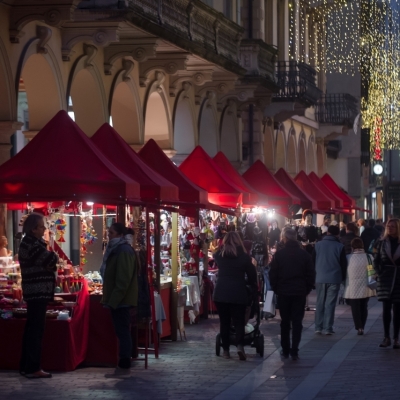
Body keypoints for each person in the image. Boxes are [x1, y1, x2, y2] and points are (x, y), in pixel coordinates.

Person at [19, 213, 58, 379]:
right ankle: (32, 367)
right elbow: (50, 259)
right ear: (34, 229)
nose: (44, 229)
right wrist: (52, 260)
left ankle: (26, 366)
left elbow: (49, 262)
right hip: (36, 292)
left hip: (36, 292)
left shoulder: (32, 243)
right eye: (42, 226)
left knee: (32, 329)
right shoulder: (32, 244)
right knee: (36, 330)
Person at [269, 229, 315, 360]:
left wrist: (276, 288)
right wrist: (306, 289)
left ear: (285, 238)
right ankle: (294, 348)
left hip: (284, 292)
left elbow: (273, 274)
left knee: (285, 322)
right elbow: (311, 274)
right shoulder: (304, 255)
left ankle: (285, 348)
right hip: (299, 292)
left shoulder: (279, 255)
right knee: (297, 321)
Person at [213, 231, 257, 361]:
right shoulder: (243, 257)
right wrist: (251, 287)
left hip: (221, 293)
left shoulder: (219, 255)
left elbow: (216, 258)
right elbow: (252, 276)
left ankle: (226, 350)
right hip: (238, 292)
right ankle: (239, 346)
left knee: (224, 322)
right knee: (239, 321)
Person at [101, 222, 138, 369]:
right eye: (108, 233)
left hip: (122, 299)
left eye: (111, 233)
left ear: (120, 235)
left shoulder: (123, 250)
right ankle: (124, 358)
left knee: (122, 330)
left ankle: (125, 359)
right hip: (118, 298)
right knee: (120, 329)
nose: (109, 236)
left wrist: (113, 300)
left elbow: (123, 278)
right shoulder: (116, 250)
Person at [313, 225, 347, 335]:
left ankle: (318, 327)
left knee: (320, 302)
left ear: (327, 233)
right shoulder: (340, 246)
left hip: (320, 277)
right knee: (330, 303)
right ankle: (328, 327)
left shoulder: (318, 245)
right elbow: (343, 264)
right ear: (337, 234)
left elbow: (312, 261)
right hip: (334, 277)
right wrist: (343, 278)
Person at [373, 218, 400, 349]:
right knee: (386, 309)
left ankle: (396, 338)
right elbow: (375, 260)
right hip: (385, 278)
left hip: (399, 278)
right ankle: (386, 337)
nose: (390, 228)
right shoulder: (381, 242)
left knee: (398, 310)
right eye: (388, 226)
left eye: (393, 226)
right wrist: (378, 272)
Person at [343, 238, 376, 335]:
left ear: (352, 247)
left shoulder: (348, 257)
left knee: (355, 308)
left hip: (352, 287)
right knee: (364, 306)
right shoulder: (369, 257)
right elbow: (373, 270)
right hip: (366, 285)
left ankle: (358, 326)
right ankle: (363, 326)